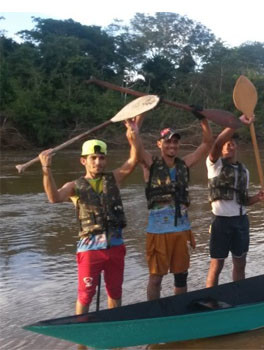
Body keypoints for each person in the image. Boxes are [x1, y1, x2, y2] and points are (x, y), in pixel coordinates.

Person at [37, 118, 141, 315]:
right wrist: (46, 169)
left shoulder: (114, 179)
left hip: (116, 247)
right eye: (93, 158)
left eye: (101, 158)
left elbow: (133, 160)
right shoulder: (74, 186)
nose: (98, 162)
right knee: (85, 295)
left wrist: (133, 135)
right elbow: (53, 197)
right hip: (90, 250)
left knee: (115, 293)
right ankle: (82, 338)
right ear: (83, 160)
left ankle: (113, 325)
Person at [136, 112, 213, 300]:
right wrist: (136, 124)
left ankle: (179, 310)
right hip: (158, 231)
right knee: (156, 278)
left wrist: (202, 120)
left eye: (175, 142)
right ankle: (154, 313)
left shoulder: (184, 164)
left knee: (181, 276)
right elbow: (136, 146)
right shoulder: (149, 164)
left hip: (181, 229)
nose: (172, 145)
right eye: (167, 141)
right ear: (159, 144)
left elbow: (206, 144)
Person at [205, 115, 264, 287]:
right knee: (217, 264)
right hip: (220, 221)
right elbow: (217, 143)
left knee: (240, 263)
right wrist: (236, 124)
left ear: (236, 147)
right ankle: (210, 297)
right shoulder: (214, 165)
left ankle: (238, 294)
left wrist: (257, 198)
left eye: (232, 143)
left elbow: (243, 200)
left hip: (240, 221)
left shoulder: (244, 171)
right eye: (227, 144)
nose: (229, 146)